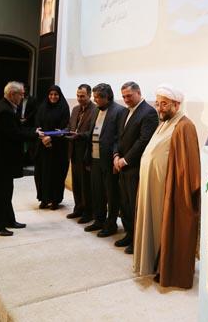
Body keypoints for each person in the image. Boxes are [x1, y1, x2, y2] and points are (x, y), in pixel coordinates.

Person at [133, 85, 200, 289]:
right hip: (152, 188)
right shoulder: (164, 122)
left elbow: (188, 166)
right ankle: (152, 263)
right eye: (158, 103)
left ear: (176, 105)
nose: (159, 108)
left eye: (164, 104)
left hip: (168, 192)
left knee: (166, 229)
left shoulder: (184, 126)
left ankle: (166, 267)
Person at [0, 81, 42, 236]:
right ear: (12, 94)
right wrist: (35, 134)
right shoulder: (5, 111)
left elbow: (17, 129)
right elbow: (15, 134)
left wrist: (34, 131)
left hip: (3, 160)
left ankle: (8, 220)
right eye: (21, 94)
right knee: (0, 194)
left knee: (6, 191)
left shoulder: (7, 107)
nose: (23, 97)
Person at [113, 81, 159, 254]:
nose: (126, 100)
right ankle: (128, 234)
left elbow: (144, 140)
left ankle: (137, 240)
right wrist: (116, 155)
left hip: (135, 167)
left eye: (129, 96)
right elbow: (118, 137)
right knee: (124, 204)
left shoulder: (149, 112)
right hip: (121, 165)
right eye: (124, 96)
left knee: (134, 205)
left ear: (139, 93)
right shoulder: (125, 111)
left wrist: (125, 160)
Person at [84, 83, 125, 237]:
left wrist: (116, 157)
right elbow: (91, 134)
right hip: (95, 157)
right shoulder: (96, 110)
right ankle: (99, 220)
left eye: (97, 98)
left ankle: (111, 224)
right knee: (97, 192)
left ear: (107, 97)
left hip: (109, 159)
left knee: (111, 194)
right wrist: (88, 157)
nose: (95, 100)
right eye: (94, 97)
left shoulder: (119, 111)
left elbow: (119, 137)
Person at [34, 85, 70, 209]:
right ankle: (44, 198)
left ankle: (55, 200)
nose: (53, 97)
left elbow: (64, 127)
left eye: (56, 94)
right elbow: (37, 123)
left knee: (56, 174)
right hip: (43, 146)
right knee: (42, 173)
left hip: (58, 148)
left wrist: (51, 138)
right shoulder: (42, 107)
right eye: (51, 94)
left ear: (59, 96)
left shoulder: (64, 108)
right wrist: (43, 138)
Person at [66, 84, 96, 222]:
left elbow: (92, 132)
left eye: (82, 96)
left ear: (89, 95)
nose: (79, 98)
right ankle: (78, 208)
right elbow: (70, 126)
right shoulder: (75, 109)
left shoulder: (95, 110)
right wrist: (64, 131)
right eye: (78, 96)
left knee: (86, 185)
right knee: (76, 183)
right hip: (74, 151)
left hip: (86, 152)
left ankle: (88, 212)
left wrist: (78, 135)